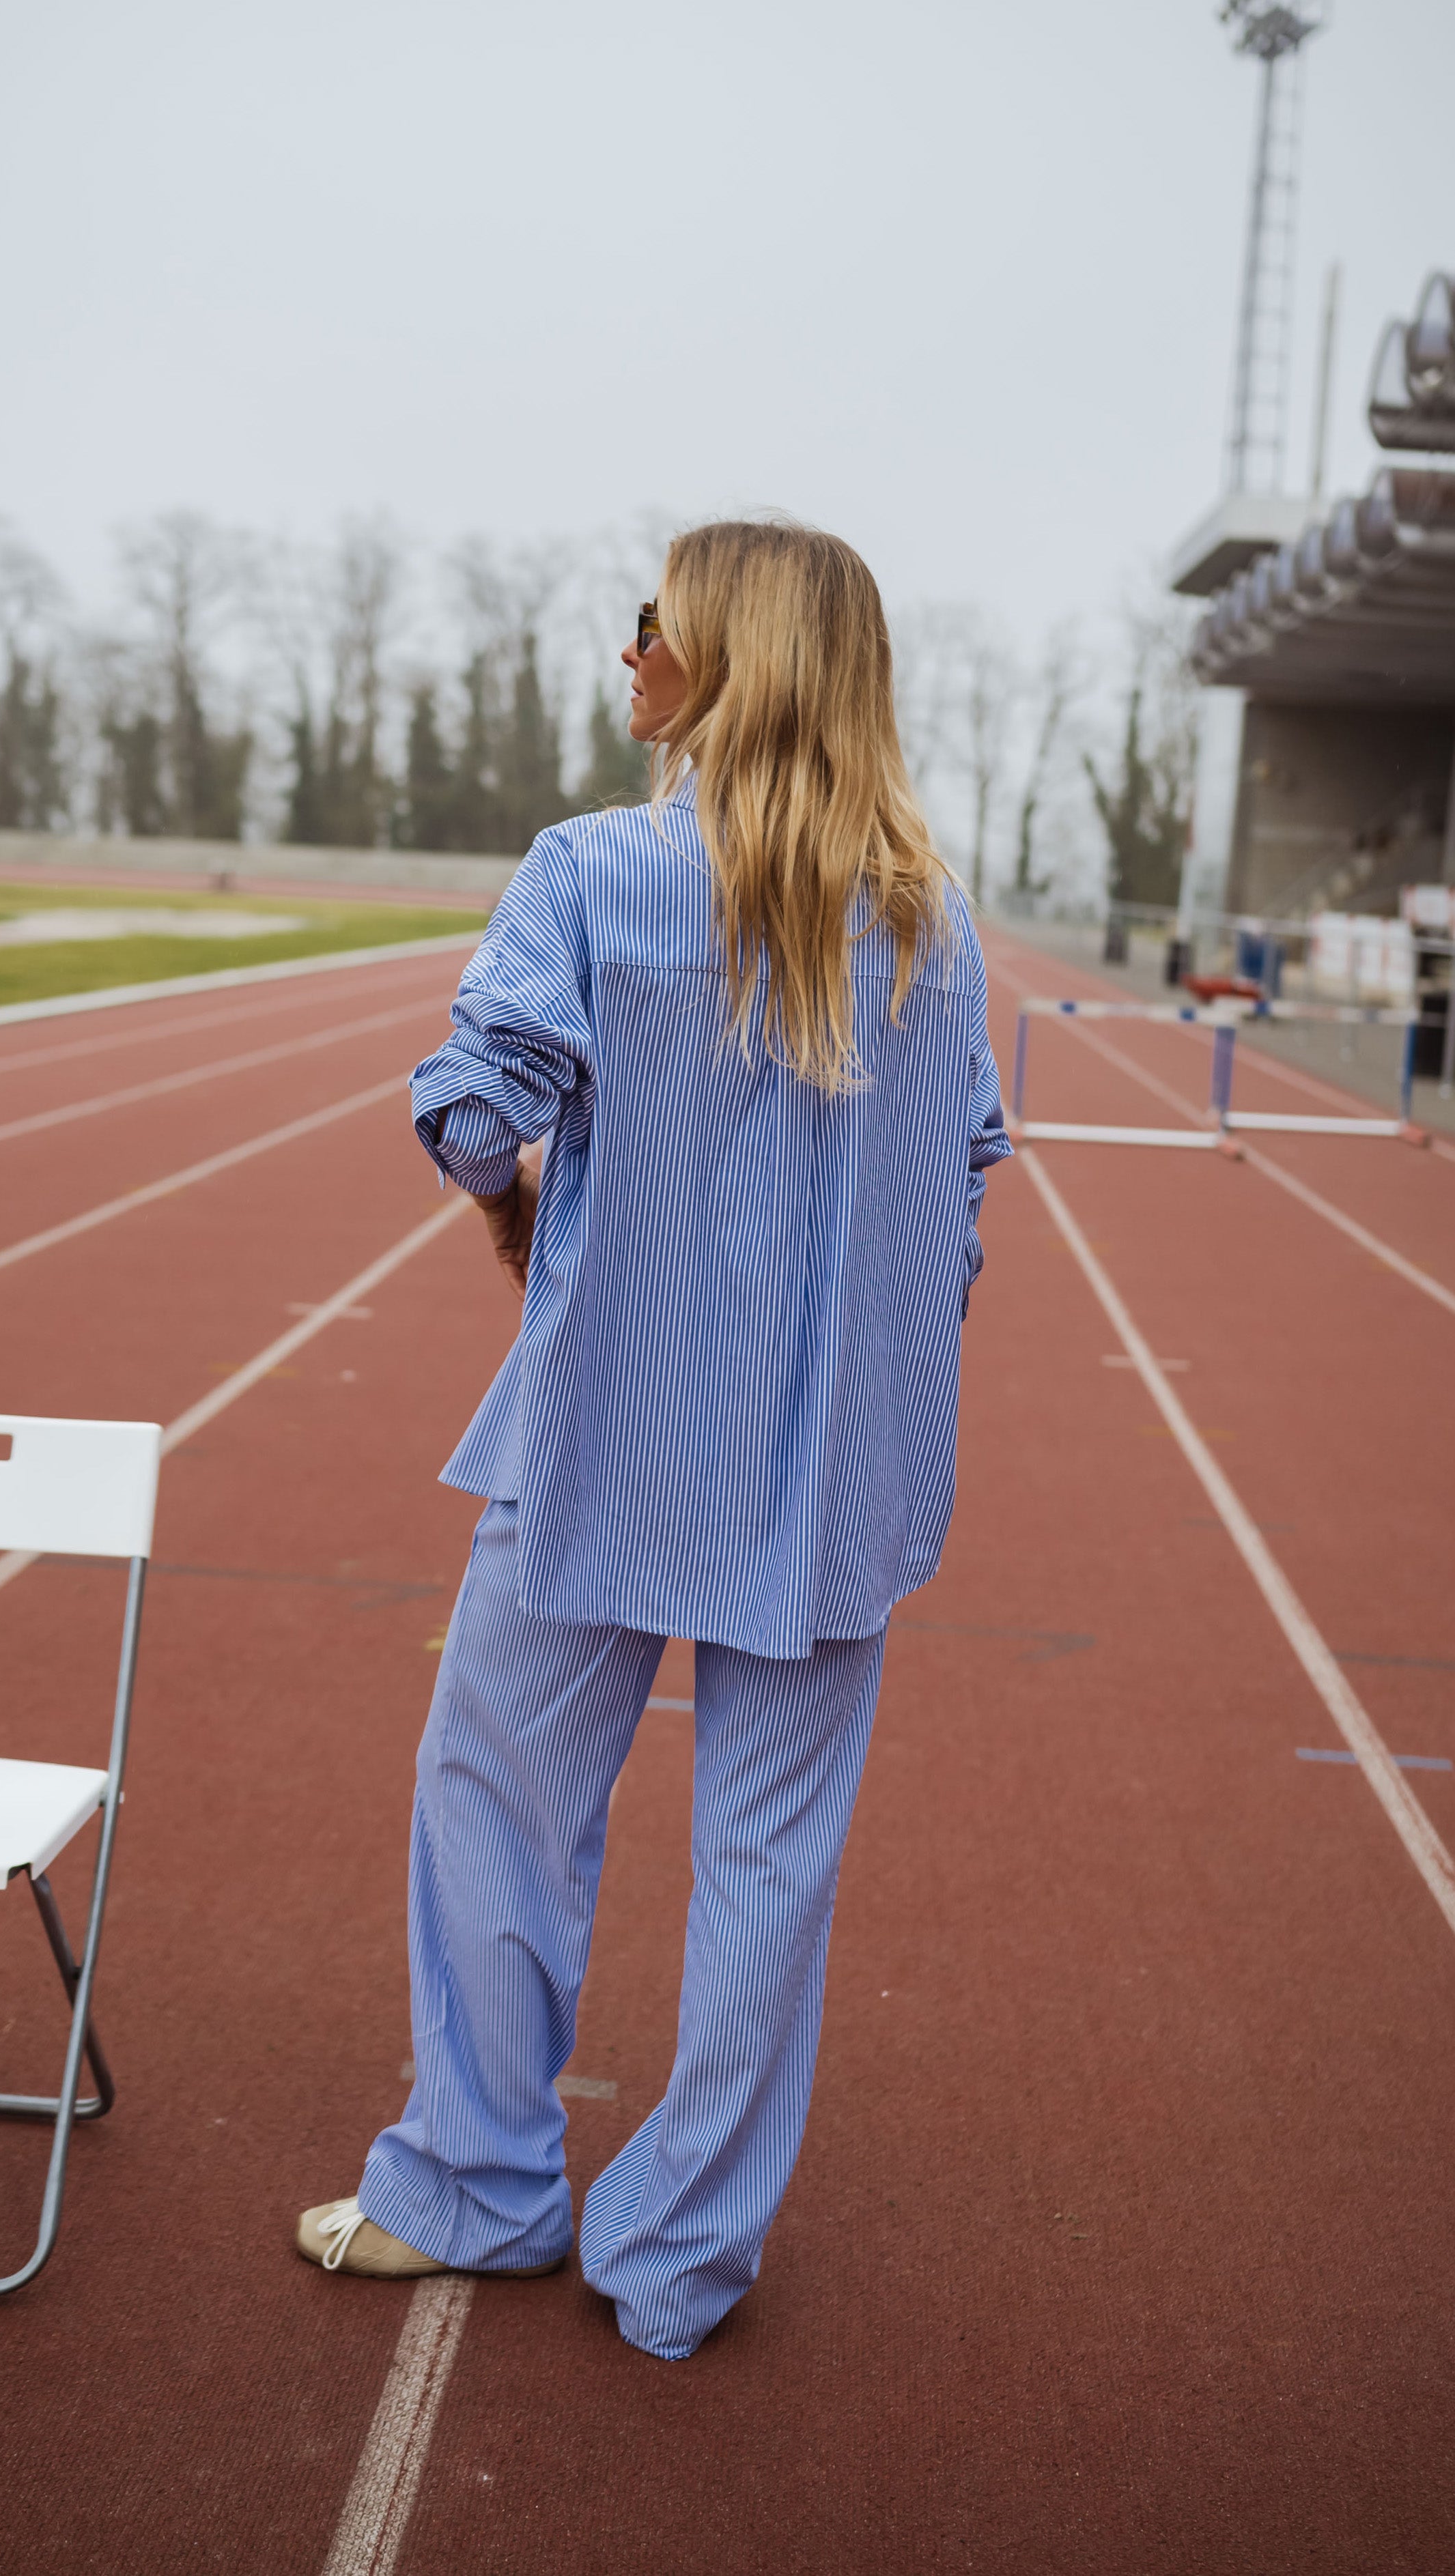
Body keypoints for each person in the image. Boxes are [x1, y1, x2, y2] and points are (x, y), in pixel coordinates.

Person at [297, 518, 1011, 2360]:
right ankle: (680, 2262)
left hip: (601, 1436)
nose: (626, 665)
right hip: (837, 1476)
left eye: (650, 632)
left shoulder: (594, 875)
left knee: (500, 1807)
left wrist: (512, 1197)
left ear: (727, 663)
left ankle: (477, 2185)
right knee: (769, 1863)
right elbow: (964, 1201)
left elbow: (471, 1110)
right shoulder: (936, 924)